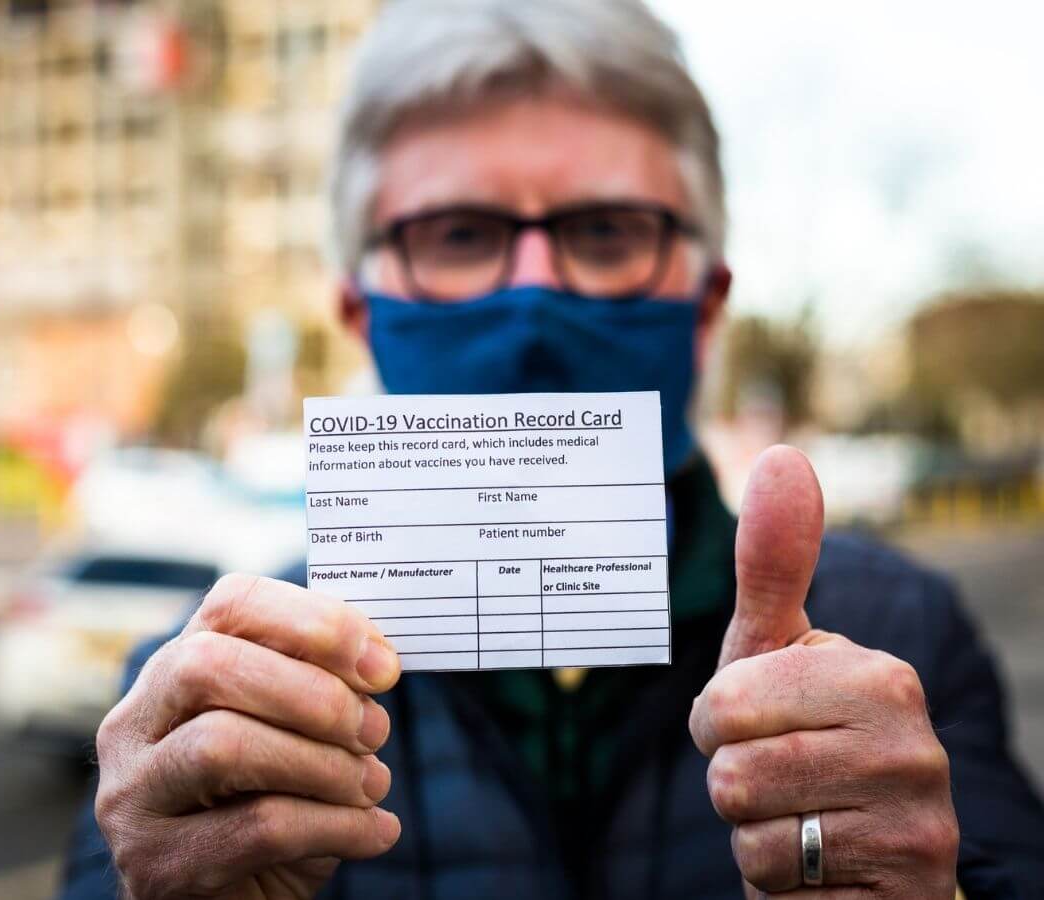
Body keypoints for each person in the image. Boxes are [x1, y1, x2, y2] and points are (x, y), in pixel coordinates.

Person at [60, 1, 1044, 897]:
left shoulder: (896, 636)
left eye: (608, 231)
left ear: (705, 309)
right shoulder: (211, 699)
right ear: (361, 316)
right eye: (456, 233)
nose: (533, 298)